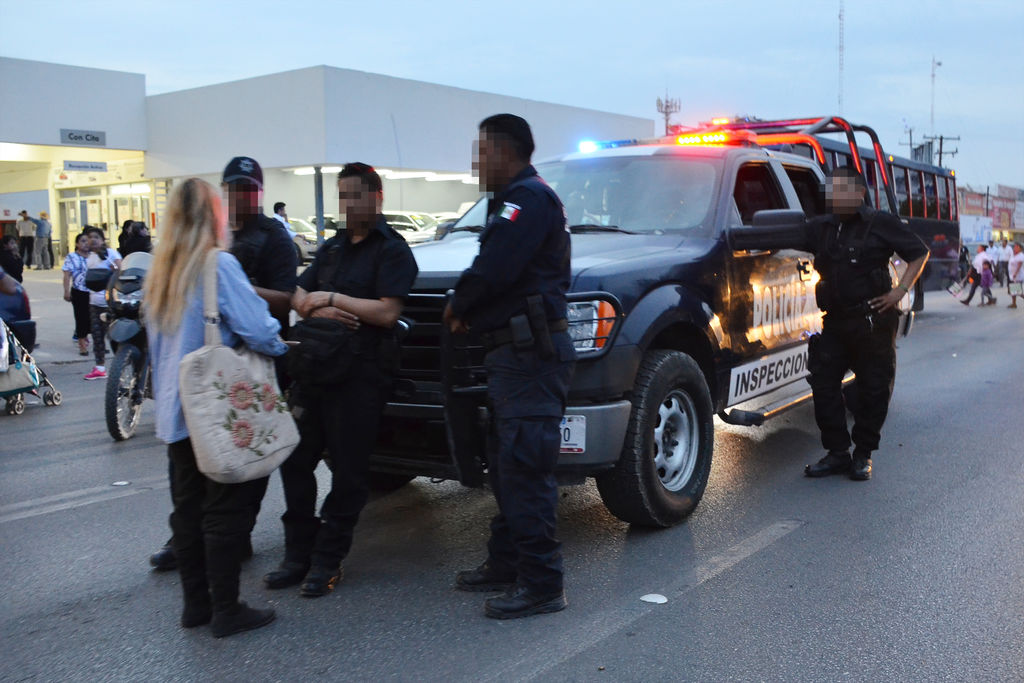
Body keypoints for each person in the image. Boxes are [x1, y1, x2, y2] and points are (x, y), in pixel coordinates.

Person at [443, 114, 576, 619]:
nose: (475, 163)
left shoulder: (529, 199)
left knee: (524, 467)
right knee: (506, 465)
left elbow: (494, 269)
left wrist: (459, 305)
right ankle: (508, 561)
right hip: (512, 356)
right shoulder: (512, 200)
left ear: (503, 151)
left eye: (480, 152)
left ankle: (542, 584)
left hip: (529, 358)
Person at [262, 162, 417, 597]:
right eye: (343, 197)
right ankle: (298, 554)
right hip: (315, 370)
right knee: (295, 460)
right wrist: (317, 306)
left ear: (377, 197)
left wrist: (332, 297)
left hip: (361, 376)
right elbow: (296, 291)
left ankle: (327, 559)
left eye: (355, 196)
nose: (348, 205)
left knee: (349, 473)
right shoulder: (332, 249)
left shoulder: (393, 250)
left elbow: (387, 312)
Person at [145, 177, 286, 638]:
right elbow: (259, 330)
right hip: (215, 410)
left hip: (175, 412)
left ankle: (196, 607)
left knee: (186, 512)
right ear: (212, 216)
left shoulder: (161, 271)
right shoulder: (217, 264)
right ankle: (227, 609)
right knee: (225, 509)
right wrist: (281, 346)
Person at [802, 166, 928, 481]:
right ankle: (837, 452)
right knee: (823, 384)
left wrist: (900, 291)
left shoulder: (880, 223)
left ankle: (862, 454)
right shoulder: (823, 227)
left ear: (859, 193)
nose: (837, 196)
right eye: (833, 190)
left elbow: (919, 253)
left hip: (872, 322)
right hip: (835, 321)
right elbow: (779, 234)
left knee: (874, 390)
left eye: (843, 190)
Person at [83, 227, 122, 380]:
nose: (92, 240)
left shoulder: (111, 254)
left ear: (102, 239)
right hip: (94, 303)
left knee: (114, 335)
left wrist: (115, 270)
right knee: (97, 336)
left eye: (96, 237)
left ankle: (121, 364)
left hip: (109, 303)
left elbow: (122, 270)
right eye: (89, 237)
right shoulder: (90, 257)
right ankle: (100, 368)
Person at [62, 232, 93, 356]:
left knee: (94, 318)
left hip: (94, 292)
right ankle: (82, 345)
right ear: (77, 244)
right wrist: (66, 291)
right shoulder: (72, 257)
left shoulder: (94, 256)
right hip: (79, 292)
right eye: (83, 241)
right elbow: (67, 275)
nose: (86, 244)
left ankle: (95, 341)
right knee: (81, 318)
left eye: (87, 241)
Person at [1007, 243, 1023, 309]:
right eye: (1015, 247)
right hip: (1011, 276)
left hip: (1017, 276)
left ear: (1020, 249)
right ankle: (1014, 304)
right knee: (1013, 291)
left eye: (1017, 247)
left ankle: (1014, 303)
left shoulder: (1021, 256)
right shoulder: (1013, 255)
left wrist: (1015, 273)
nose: (1015, 248)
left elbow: (1019, 266)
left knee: (1018, 292)